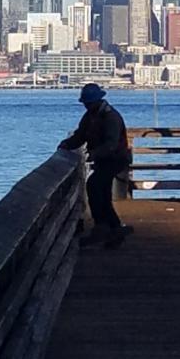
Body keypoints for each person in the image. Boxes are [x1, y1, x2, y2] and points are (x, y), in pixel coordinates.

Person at [58, 83, 131, 248]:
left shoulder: (111, 117)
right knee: (103, 194)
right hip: (103, 160)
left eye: (88, 103)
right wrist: (67, 144)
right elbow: (80, 136)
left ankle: (101, 226)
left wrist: (94, 153)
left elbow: (111, 144)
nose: (86, 106)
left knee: (94, 185)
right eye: (85, 103)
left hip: (116, 159)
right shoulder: (89, 116)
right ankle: (114, 229)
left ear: (97, 101)